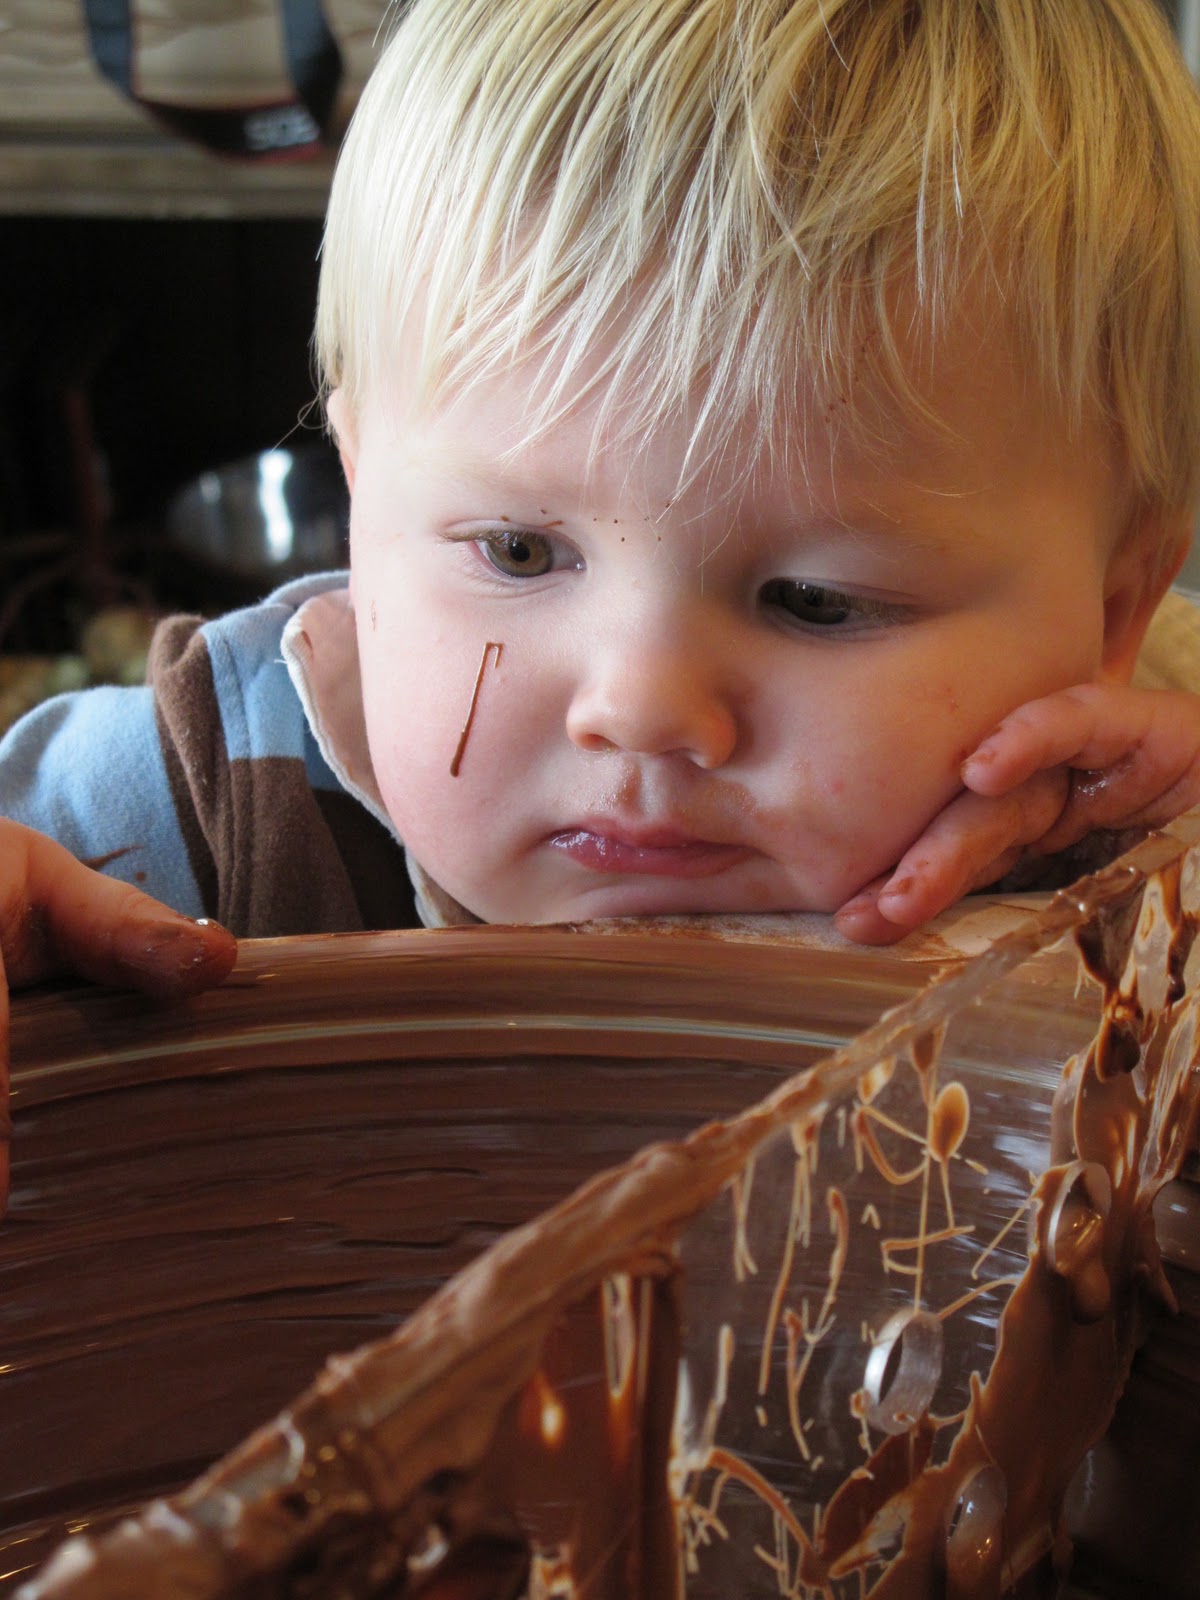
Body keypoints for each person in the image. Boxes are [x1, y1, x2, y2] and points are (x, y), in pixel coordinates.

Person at [3, 0, 1200, 1193]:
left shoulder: (1152, 826)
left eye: (817, 602)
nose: (639, 708)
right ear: (362, 490)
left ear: (1113, 609)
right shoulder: (184, 810)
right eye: (520, 552)